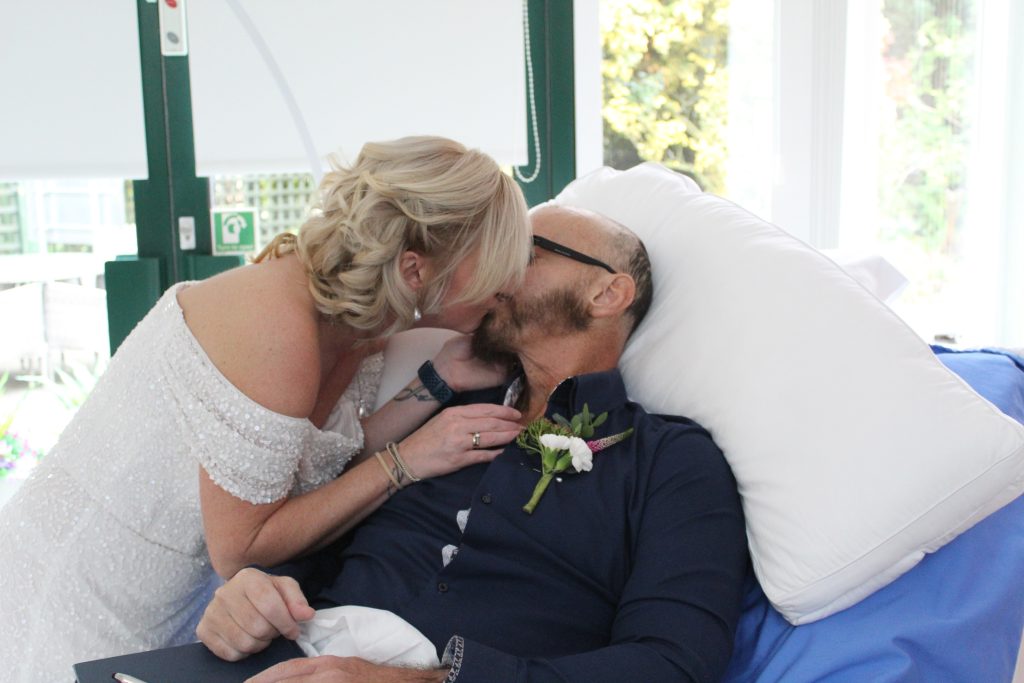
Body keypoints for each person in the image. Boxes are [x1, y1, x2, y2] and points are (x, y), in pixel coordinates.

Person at [0, 136, 532, 682]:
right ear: (416, 272)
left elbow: (312, 465)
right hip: (78, 598)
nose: (510, 284)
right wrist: (405, 462)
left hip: (173, 610)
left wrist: (437, 381)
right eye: (496, 265)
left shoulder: (360, 323)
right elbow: (242, 548)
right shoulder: (275, 329)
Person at [196, 205, 749, 682]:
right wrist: (255, 595)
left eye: (527, 252)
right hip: (286, 658)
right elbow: (319, 546)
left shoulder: (672, 462)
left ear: (607, 292)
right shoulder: (445, 415)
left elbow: (674, 664)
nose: (499, 270)